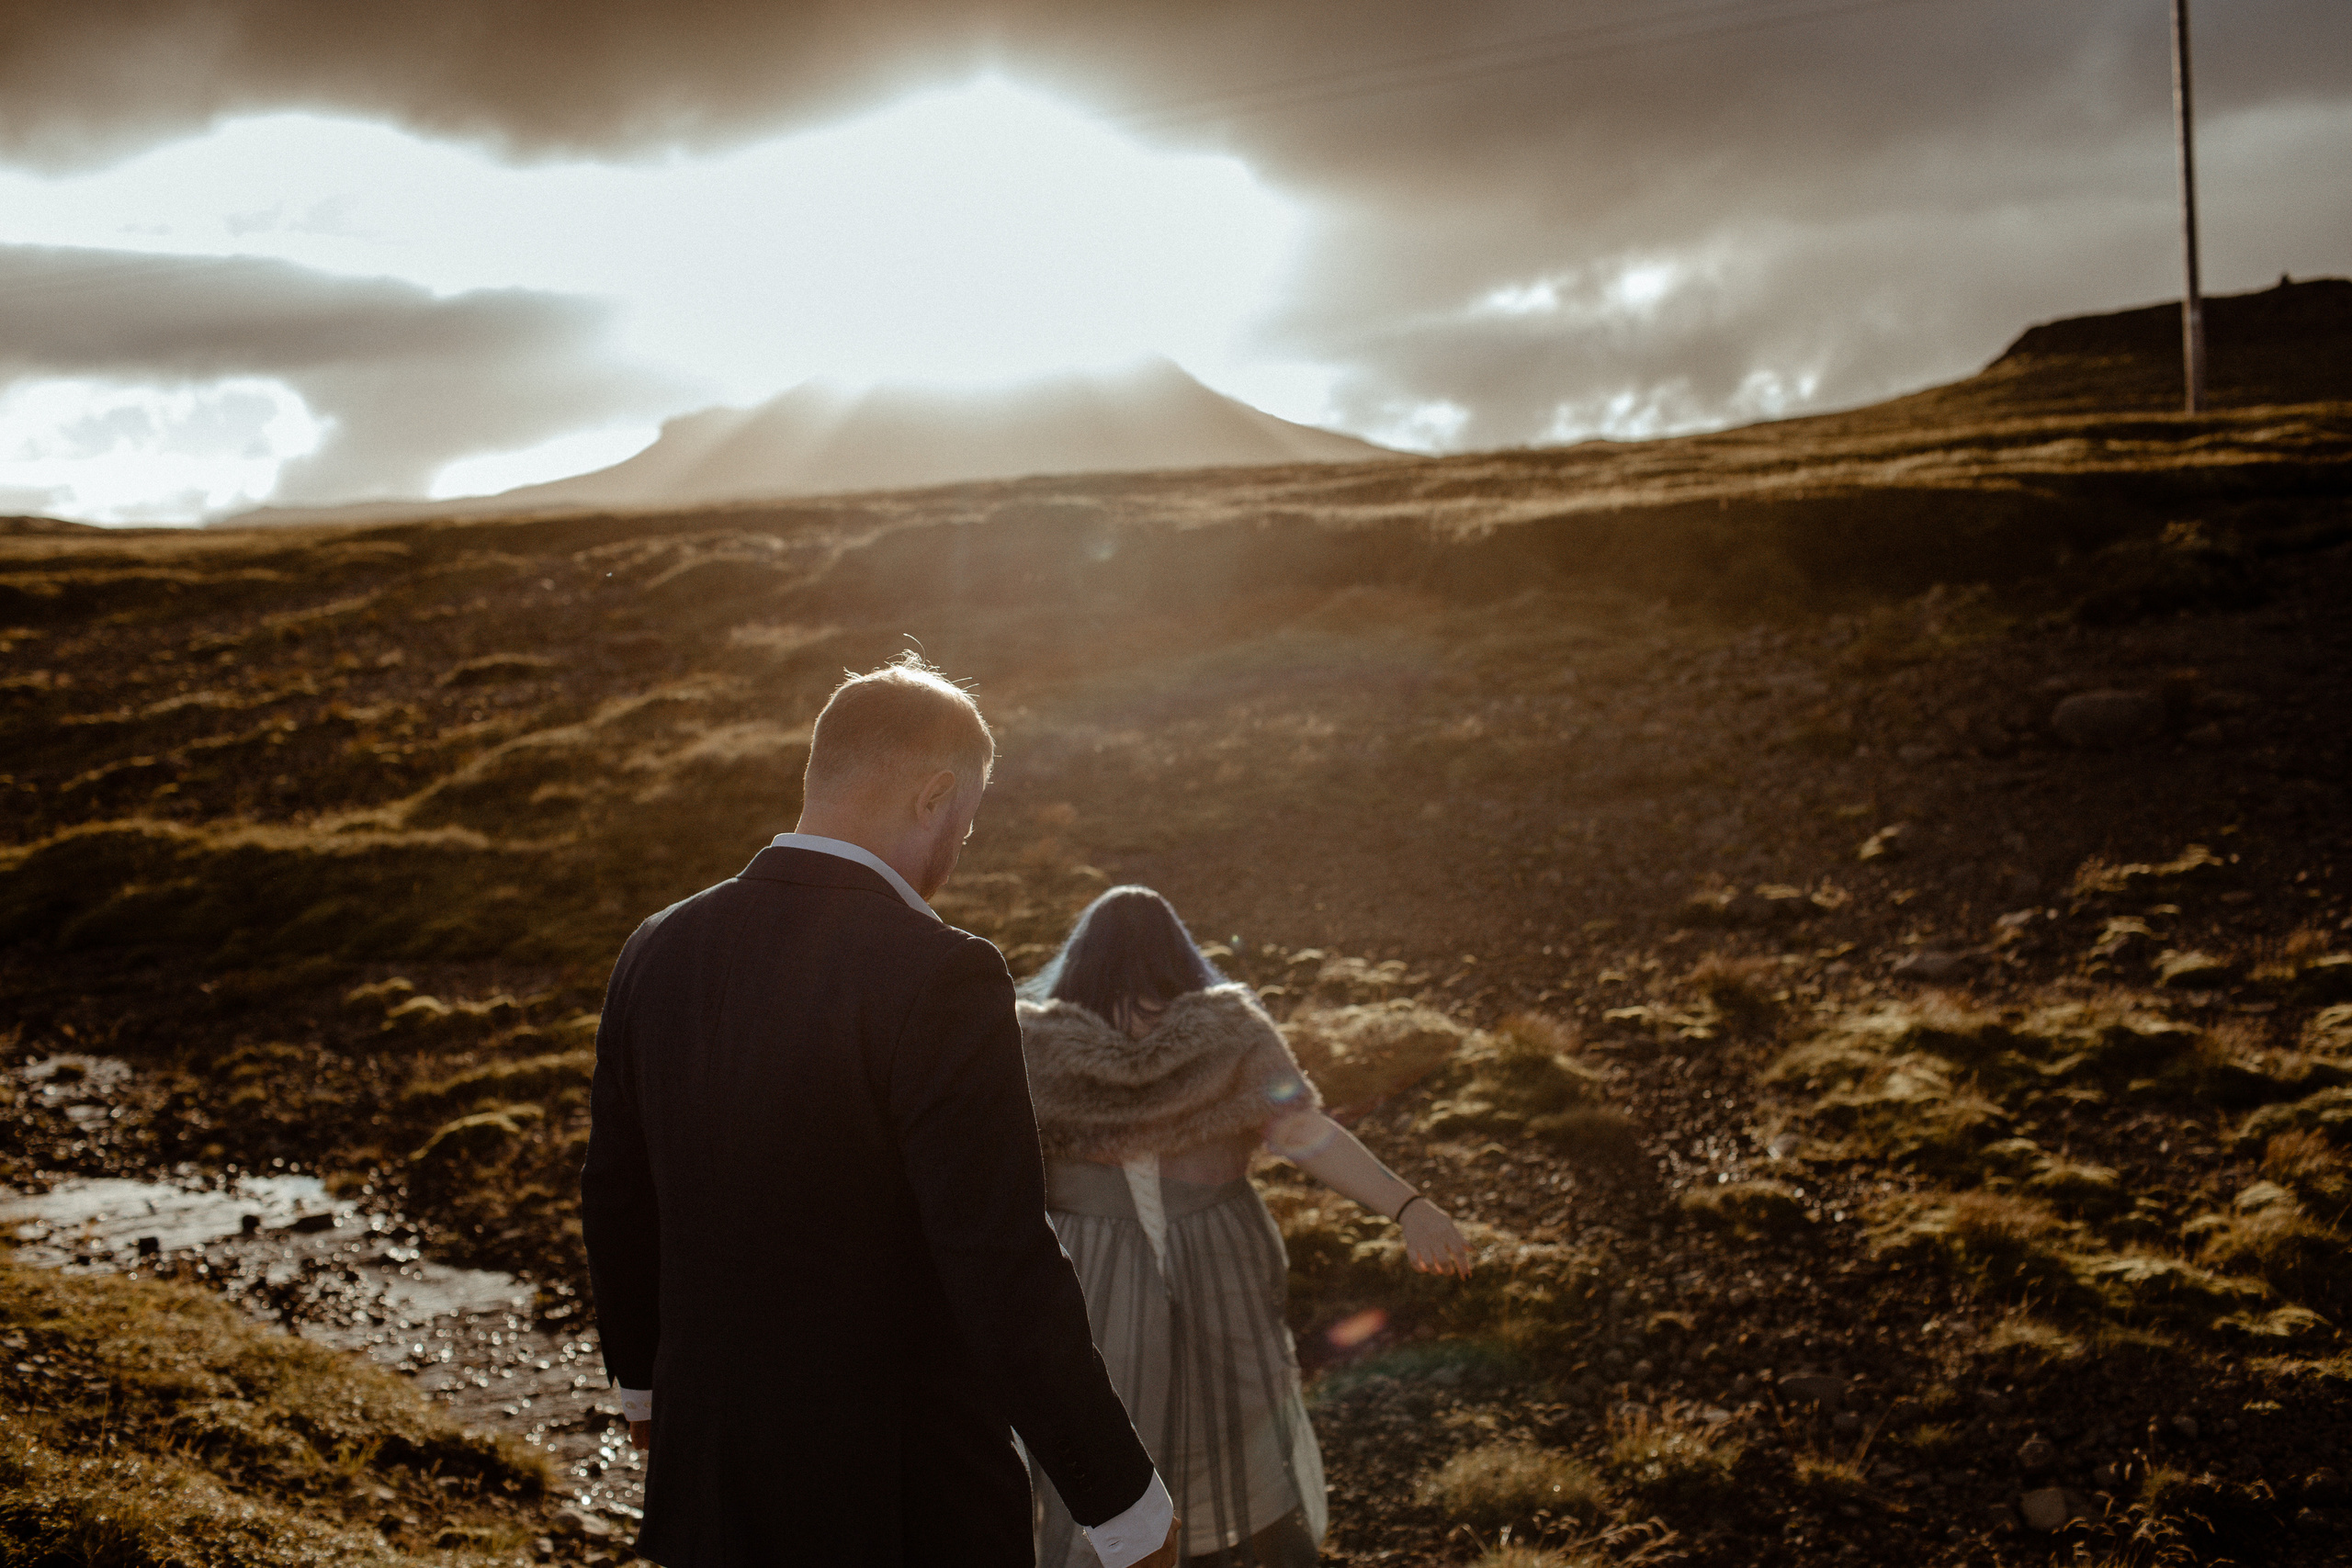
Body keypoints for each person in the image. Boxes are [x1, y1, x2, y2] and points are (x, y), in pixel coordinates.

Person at [581, 655, 1180, 1568]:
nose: (958, 850)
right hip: (898, 1500)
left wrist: (648, 1396)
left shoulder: (656, 947)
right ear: (935, 795)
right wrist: (1122, 1504)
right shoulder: (941, 974)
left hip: (708, 1485)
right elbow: (996, 1257)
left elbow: (617, 1199)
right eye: (967, 825)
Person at [1016, 886, 1473, 1568]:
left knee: (1099, 1441)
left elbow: (982, 1169)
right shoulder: (1233, 1030)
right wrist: (1410, 1208)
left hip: (1088, 1281)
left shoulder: (1028, 1043)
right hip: (1218, 1272)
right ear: (1180, 954)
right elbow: (1306, 1132)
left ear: (1081, 958)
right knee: (1245, 1438)